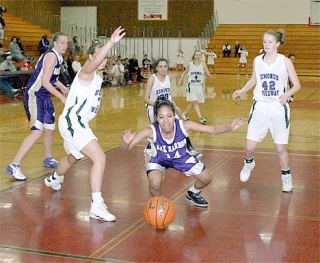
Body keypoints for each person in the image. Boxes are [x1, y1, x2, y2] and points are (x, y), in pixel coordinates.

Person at [44, 26, 126, 222]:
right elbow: (96, 61)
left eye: (105, 58)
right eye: (99, 56)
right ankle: (96, 206)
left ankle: (54, 179)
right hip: (74, 122)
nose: (103, 60)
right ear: (90, 57)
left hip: (77, 123)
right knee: (99, 158)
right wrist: (111, 43)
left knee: (73, 157)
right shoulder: (85, 72)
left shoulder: (97, 78)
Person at [122, 97, 246, 207]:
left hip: (180, 156)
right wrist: (126, 142)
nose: (166, 121)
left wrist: (230, 127)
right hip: (157, 157)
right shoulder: (150, 130)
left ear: (174, 115)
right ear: (156, 117)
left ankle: (192, 192)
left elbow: (212, 129)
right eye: (161, 117)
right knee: (155, 183)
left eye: (169, 116)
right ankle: (159, 204)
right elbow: (125, 149)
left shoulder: (184, 125)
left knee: (207, 178)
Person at [232, 29, 301, 192]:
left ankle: (286, 176)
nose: (267, 44)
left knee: (280, 148)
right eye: (264, 41)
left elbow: (297, 85)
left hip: (278, 107)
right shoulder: (257, 60)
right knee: (249, 147)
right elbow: (254, 80)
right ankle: (249, 163)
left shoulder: (284, 62)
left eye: (270, 42)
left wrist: (287, 94)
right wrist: (242, 90)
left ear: (277, 44)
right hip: (260, 106)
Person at [6, 32, 70, 181]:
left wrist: (62, 87)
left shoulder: (57, 57)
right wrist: (61, 96)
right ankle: (14, 164)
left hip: (44, 95)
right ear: (55, 43)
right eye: (62, 42)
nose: (65, 46)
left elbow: (51, 78)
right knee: (37, 131)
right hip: (35, 95)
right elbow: (45, 82)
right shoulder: (51, 56)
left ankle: (48, 158)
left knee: (49, 129)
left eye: (67, 43)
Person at [144, 58, 201, 157]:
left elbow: (168, 94)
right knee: (157, 131)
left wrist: (174, 105)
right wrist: (158, 105)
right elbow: (145, 98)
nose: (163, 69)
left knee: (179, 126)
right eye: (160, 67)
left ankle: (189, 147)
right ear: (156, 68)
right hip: (154, 109)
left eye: (165, 66)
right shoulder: (152, 79)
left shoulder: (169, 78)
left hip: (167, 109)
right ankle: (150, 147)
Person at [178, 50, 213, 125]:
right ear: (194, 56)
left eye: (199, 55)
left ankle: (184, 113)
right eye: (196, 55)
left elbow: (207, 73)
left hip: (199, 86)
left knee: (193, 102)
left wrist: (210, 76)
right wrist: (180, 80)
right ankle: (201, 117)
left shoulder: (203, 64)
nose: (198, 56)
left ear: (201, 56)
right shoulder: (190, 64)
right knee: (195, 102)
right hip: (191, 85)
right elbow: (184, 72)